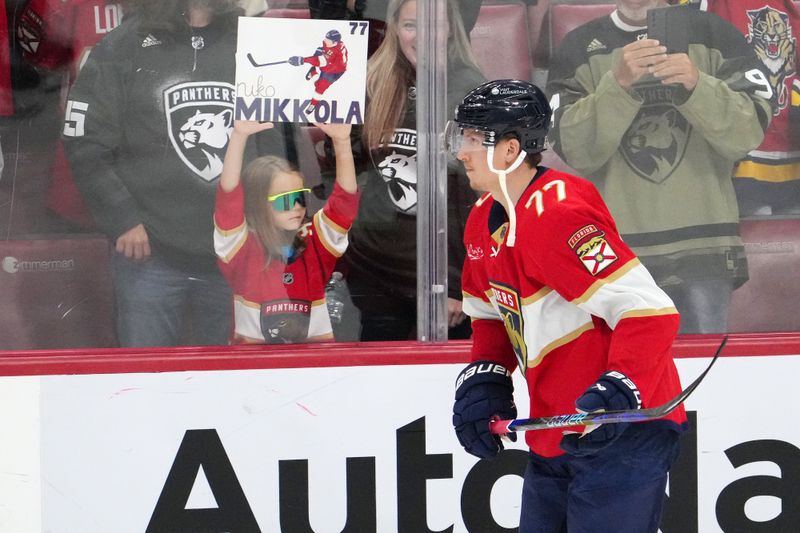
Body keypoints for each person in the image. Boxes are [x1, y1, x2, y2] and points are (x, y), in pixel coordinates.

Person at [448, 79, 688, 533]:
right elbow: (489, 317)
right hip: (556, 429)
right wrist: (488, 381)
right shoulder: (482, 219)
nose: (462, 151)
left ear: (510, 150)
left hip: (624, 429)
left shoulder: (559, 214)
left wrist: (621, 389)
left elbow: (649, 312)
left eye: (474, 139)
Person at [62, 0, 290, 347]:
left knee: (234, 385)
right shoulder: (123, 44)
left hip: (236, 250)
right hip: (150, 253)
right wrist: (121, 217)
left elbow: (272, 145)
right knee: (146, 382)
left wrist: (273, 216)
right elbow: (84, 139)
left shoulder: (252, 46)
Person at [546, 0, 774, 334]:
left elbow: (747, 133)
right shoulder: (579, 48)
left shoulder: (715, 34)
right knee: (624, 376)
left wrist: (698, 84)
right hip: (616, 253)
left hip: (705, 248)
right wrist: (618, 84)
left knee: (703, 377)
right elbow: (577, 150)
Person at [329, 0, 485, 341]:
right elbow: (348, 178)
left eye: (434, 25)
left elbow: (475, 197)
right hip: (375, 268)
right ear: (395, 29)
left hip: (444, 273)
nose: (423, 37)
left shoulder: (471, 89)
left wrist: (460, 284)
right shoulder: (370, 82)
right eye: (411, 25)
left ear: (450, 31)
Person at [213, 119, 359, 344]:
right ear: (258, 204)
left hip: (313, 367)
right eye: (285, 201)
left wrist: (341, 142)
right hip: (250, 367)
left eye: (300, 197)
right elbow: (228, 198)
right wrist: (239, 138)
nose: (298, 207)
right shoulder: (241, 247)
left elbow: (344, 203)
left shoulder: (315, 241)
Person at [707, 0, 800, 216]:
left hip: (790, 152)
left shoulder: (791, 11)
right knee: (756, 232)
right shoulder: (720, 5)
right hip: (743, 155)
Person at [288, 29, 349, 115]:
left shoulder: (335, 50)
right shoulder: (333, 43)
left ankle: (313, 73)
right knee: (320, 88)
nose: (324, 40)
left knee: (319, 86)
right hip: (332, 65)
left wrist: (302, 60)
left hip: (333, 70)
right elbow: (323, 54)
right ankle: (313, 104)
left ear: (335, 43)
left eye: (327, 40)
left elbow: (321, 61)